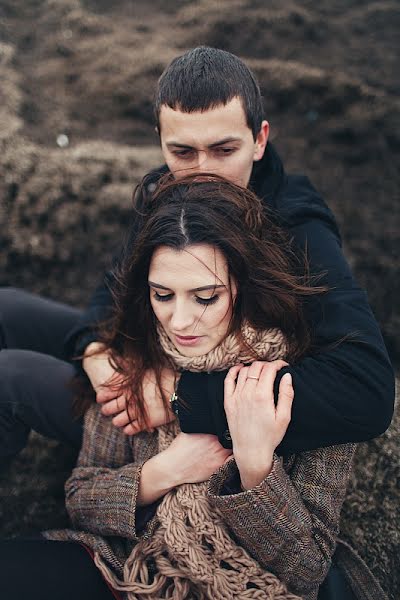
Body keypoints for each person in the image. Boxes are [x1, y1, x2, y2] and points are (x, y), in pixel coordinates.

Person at [0, 47, 394, 467]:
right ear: (161, 140)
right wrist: (95, 351)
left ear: (260, 140)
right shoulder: (166, 190)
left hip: (195, 426)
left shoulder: (297, 224)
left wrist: (179, 397)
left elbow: (367, 389)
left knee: (9, 377)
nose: (202, 173)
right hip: (150, 359)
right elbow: (113, 291)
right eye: (183, 152)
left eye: (224, 150)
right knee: (6, 307)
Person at [0, 176, 387, 600]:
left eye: (205, 298)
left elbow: (307, 569)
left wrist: (257, 469)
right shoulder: (141, 350)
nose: (180, 321)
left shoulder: (297, 382)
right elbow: (81, 497)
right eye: (162, 294)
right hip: (125, 568)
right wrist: (166, 471)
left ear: (242, 286)